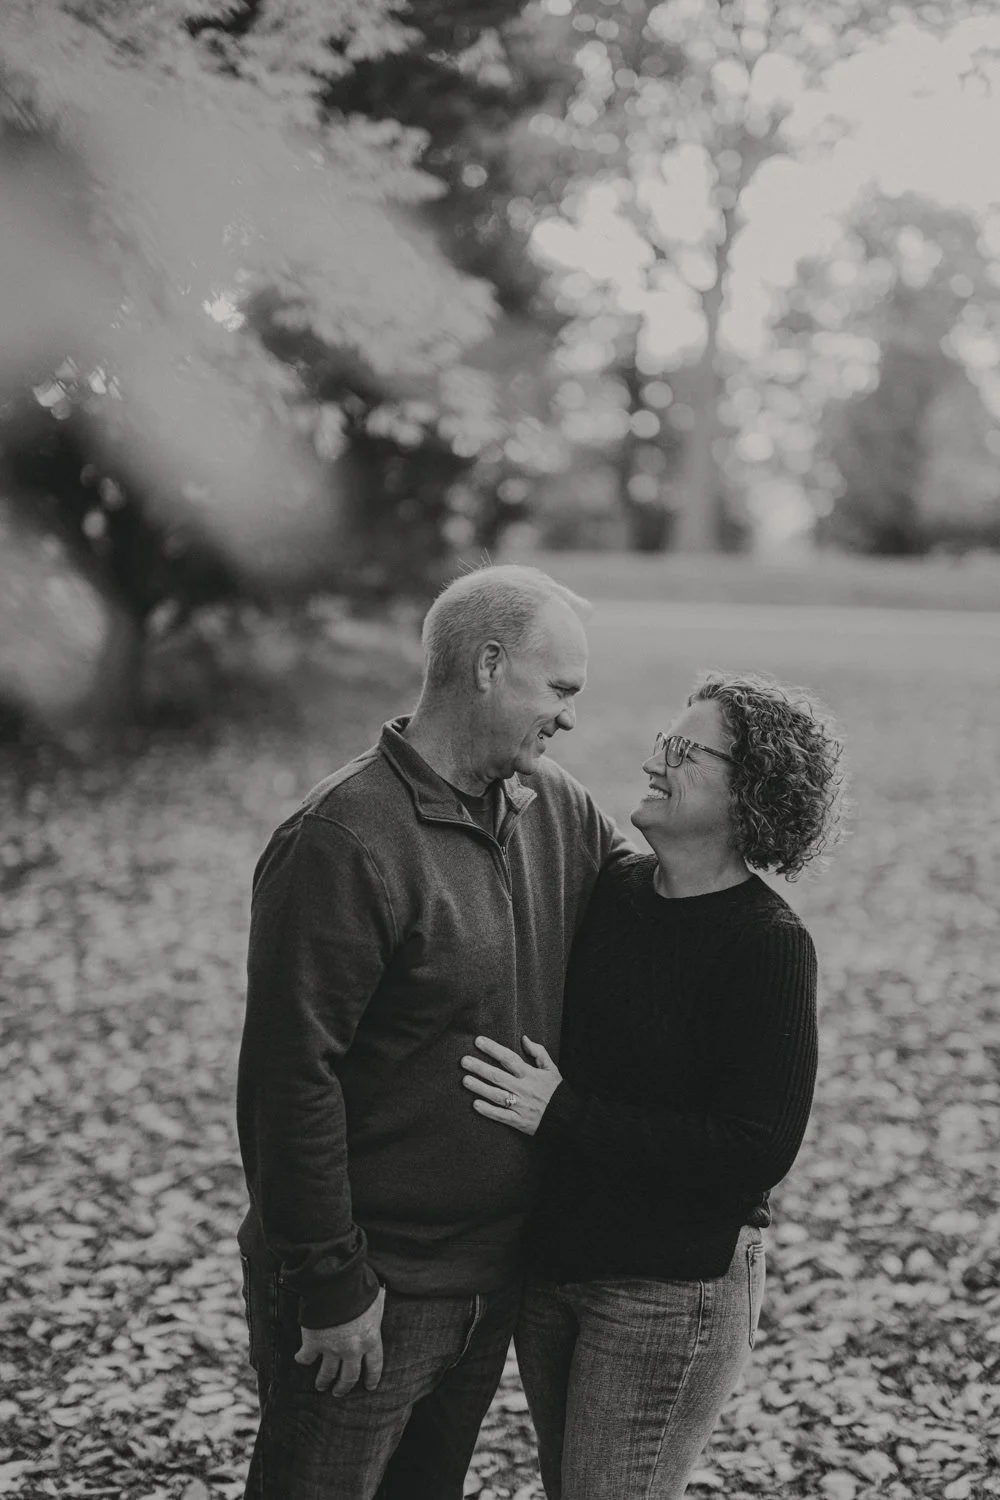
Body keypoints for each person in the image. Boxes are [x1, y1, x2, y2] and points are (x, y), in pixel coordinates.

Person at [236, 564, 633, 1500]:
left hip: (493, 1281)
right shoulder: (343, 841)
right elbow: (290, 1079)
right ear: (489, 665)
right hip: (368, 1291)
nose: (570, 716)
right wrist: (332, 1284)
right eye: (560, 689)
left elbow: (667, 916)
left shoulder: (556, 807)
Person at [462, 671, 846, 1500]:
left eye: (685, 749)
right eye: (663, 740)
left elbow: (754, 1149)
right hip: (557, 1269)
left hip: (672, 1292)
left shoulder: (768, 945)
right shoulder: (615, 891)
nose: (653, 760)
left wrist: (562, 1114)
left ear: (753, 793)